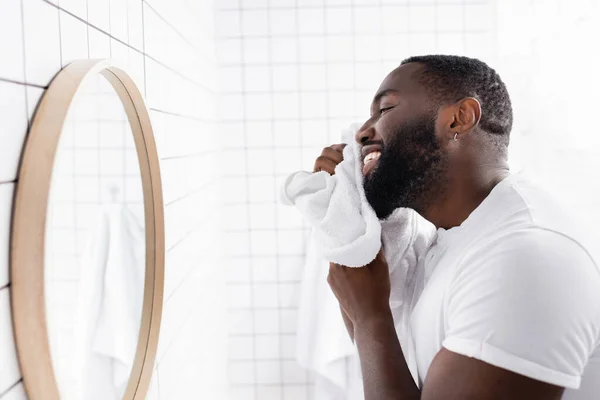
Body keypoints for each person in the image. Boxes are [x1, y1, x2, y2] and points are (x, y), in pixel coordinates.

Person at [313, 55, 600, 400]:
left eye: (385, 109)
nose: (361, 132)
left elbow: (376, 332)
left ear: (459, 119)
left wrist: (369, 317)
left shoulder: (522, 254)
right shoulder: (452, 241)